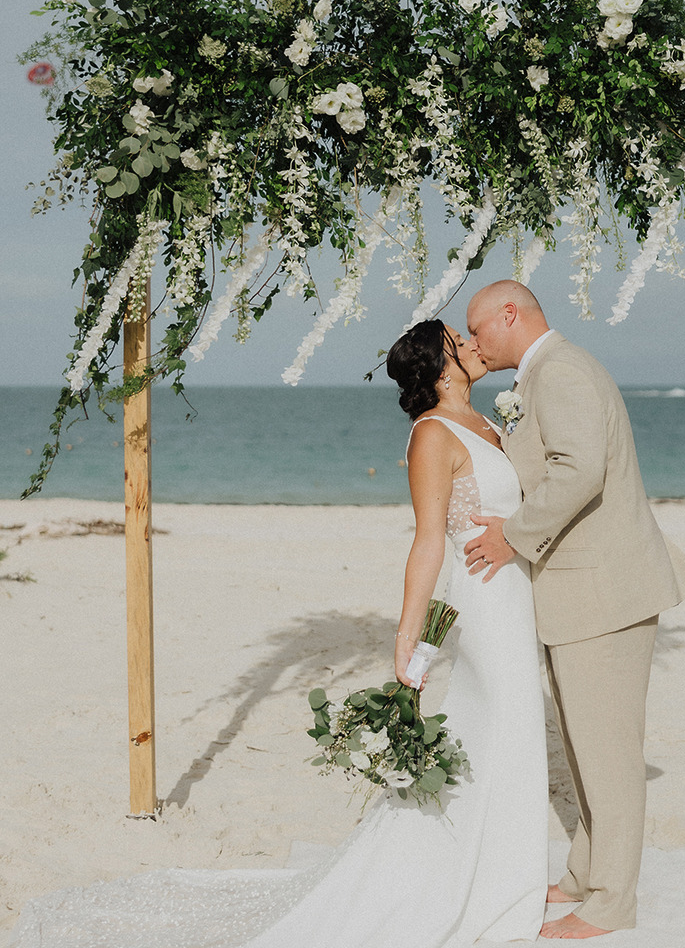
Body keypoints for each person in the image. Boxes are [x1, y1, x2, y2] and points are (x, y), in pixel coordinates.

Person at [9, 319, 548, 948]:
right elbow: (429, 539)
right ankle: (481, 880)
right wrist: (406, 637)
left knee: (506, 730)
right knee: (502, 718)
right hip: (482, 600)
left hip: (516, 593)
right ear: (441, 364)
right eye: (462, 341)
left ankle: (502, 871)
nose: (476, 345)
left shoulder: (490, 424)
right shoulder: (432, 436)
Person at [464, 280, 685, 940]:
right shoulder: (545, 372)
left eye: (479, 329)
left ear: (511, 315)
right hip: (583, 591)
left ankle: (611, 902)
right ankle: (583, 874)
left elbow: (580, 471)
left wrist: (510, 535)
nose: (475, 341)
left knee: (609, 756)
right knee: (584, 749)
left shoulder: (562, 371)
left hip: (605, 593)